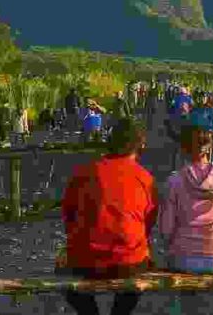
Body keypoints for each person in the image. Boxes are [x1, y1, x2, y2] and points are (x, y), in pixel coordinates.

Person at [60, 118, 157, 315]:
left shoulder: (84, 171)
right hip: (128, 262)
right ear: (141, 146)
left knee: (62, 273)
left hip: (84, 260)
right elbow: (148, 222)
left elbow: (68, 216)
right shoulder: (145, 178)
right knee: (140, 267)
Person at [159, 119, 213, 274]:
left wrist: (175, 246)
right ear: (209, 148)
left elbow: (166, 229)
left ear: (183, 149)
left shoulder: (174, 181)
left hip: (184, 258)